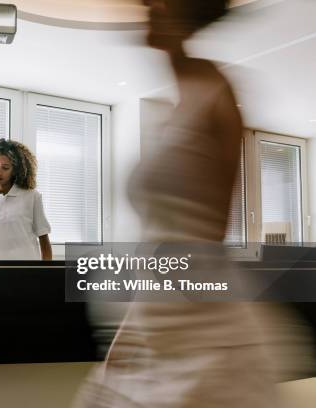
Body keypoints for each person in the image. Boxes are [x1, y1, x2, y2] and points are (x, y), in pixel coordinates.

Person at [73, 1, 290, 407]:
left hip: (196, 325)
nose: (145, 9)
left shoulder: (216, 90)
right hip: (155, 319)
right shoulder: (173, 106)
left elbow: (212, 231)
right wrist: (133, 325)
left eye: (155, 2)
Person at [0, 138, 52, 260]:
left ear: (15, 171)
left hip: (27, 272)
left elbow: (44, 239)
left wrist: (48, 273)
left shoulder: (32, 197)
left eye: (5, 168)